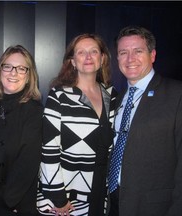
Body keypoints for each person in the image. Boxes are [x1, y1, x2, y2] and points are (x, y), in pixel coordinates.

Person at [37, 33, 117, 216]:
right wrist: (58, 197)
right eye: (81, 52)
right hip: (67, 196)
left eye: (94, 51)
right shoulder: (59, 96)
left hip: (100, 191)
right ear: (73, 61)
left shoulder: (112, 96)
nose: (88, 57)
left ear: (102, 58)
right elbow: (49, 150)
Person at [107, 25, 182, 216]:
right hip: (113, 202)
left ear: (153, 55)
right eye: (123, 53)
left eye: (138, 51)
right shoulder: (117, 97)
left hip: (155, 207)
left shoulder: (177, 94)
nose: (130, 59)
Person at [0, 45, 43, 216]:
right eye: (8, 66)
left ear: (29, 77)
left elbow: (28, 163)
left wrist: (6, 202)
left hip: (17, 205)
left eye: (21, 69)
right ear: (0, 71)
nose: (13, 73)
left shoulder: (34, 111)